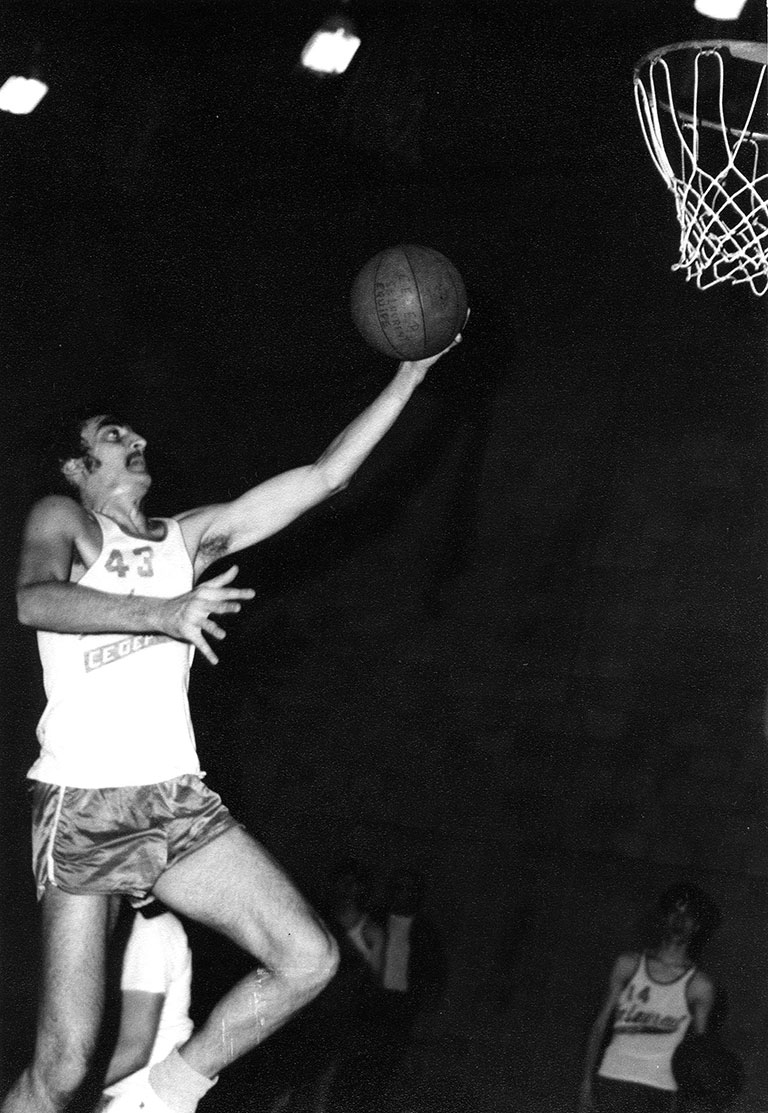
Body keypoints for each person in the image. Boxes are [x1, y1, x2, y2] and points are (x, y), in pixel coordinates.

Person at [4, 330, 464, 1113]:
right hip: (85, 798)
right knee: (64, 1062)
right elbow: (33, 599)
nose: (138, 438)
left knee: (309, 956)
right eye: (114, 437)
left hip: (173, 799)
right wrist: (165, 611)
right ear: (78, 469)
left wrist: (408, 375)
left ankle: (161, 1095)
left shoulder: (188, 537)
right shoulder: (67, 519)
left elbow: (324, 476)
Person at [578, 883, 719, 1113]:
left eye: (689, 916)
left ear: (698, 927)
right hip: (613, 1077)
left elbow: (699, 1053)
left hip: (659, 1088)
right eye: (676, 911)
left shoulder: (700, 986)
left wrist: (687, 1103)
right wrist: (585, 1084)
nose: (680, 920)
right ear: (665, 917)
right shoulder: (628, 964)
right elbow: (599, 1026)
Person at [98, 903, 194, 1109]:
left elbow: (134, 1051)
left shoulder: (151, 928)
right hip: (126, 1096)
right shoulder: (126, 927)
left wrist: (63, 1094)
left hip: (140, 1097)